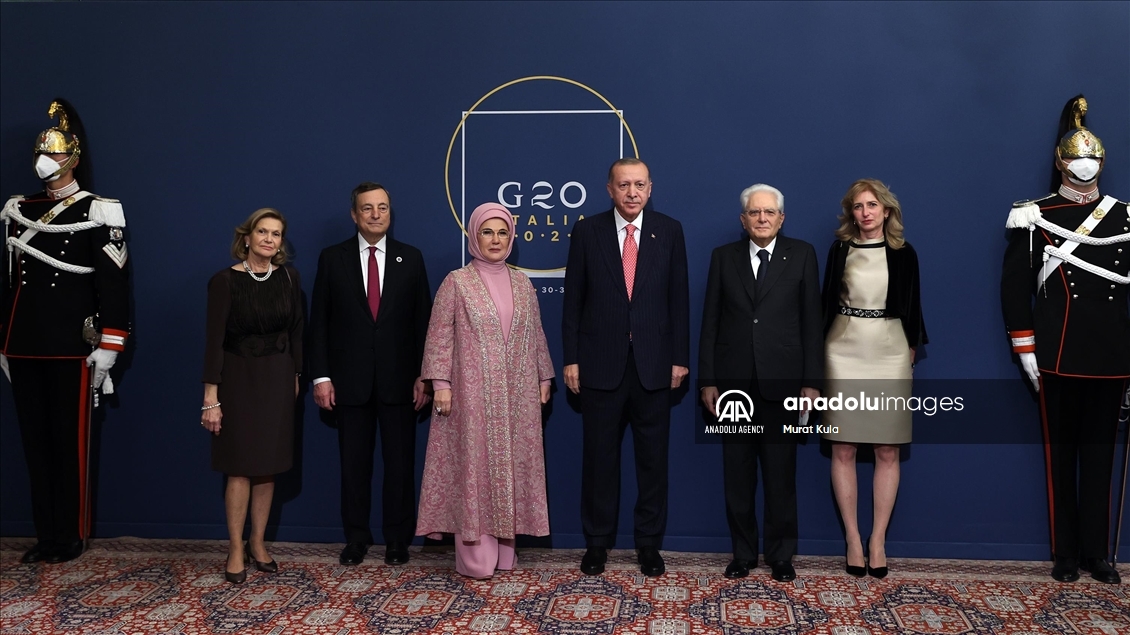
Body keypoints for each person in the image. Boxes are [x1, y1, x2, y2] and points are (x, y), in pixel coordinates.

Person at [1001, 95, 1128, 585]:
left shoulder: (1125, 217)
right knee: (1061, 457)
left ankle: (1098, 553)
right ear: (1060, 162)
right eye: (1077, 157)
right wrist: (1025, 347)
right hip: (1057, 352)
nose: (1085, 165)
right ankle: (1066, 552)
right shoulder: (1033, 215)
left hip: (1113, 353)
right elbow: (1014, 288)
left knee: (1100, 457)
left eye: (1093, 157)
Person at [0, 99, 129, 565]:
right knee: (35, 446)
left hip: (72, 345)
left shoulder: (100, 210)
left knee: (69, 445)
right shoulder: (19, 209)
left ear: (73, 157)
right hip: (24, 343)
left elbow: (113, 283)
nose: (45, 161)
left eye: (54, 153)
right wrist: (3, 341)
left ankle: (71, 535)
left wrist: (110, 343)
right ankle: (46, 534)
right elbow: (10, 282)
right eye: (42, 152)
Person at [562, 158, 690, 577]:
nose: (632, 193)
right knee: (599, 461)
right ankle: (597, 543)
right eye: (623, 185)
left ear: (650, 188)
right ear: (610, 189)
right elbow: (573, 301)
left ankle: (648, 545)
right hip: (600, 365)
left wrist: (680, 358)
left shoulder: (669, 231)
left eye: (639, 185)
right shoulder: (587, 231)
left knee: (653, 463)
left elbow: (678, 300)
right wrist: (571, 358)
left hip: (654, 366)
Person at [416, 203, 554, 578]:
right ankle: (476, 557)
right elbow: (439, 335)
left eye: (502, 232)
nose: (495, 240)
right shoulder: (457, 282)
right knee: (474, 470)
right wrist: (440, 384)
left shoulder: (522, 283)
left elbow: (536, 334)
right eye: (487, 232)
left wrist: (544, 377)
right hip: (470, 395)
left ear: (512, 237)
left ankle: (506, 552)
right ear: (474, 236)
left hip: (517, 395)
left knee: (510, 468)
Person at [699, 183, 823, 582]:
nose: (762, 218)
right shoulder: (723, 257)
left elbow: (812, 322)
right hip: (733, 386)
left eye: (769, 212)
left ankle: (781, 555)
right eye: (754, 212)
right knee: (737, 476)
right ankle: (743, 554)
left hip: (784, 385)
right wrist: (708, 379)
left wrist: (812, 382)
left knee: (780, 475)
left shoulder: (802, 254)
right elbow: (710, 321)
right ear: (743, 219)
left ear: (781, 218)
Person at [308, 182, 432, 566]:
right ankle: (357, 538)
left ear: (390, 213)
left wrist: (425, 376)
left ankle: (397, 540)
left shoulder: (411, 258)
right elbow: (319, 322)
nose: (376, 214)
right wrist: (321, 377)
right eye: (367, 208)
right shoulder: (333, 259)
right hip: (349, 383)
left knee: (400, 467)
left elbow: (424, 324)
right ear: (354, 214)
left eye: (382, 207)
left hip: (401, 383)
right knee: (354, 467)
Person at [821, 179, 927, 579]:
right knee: (843, 447)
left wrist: (910, 351)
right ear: (851, 213)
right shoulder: (840, 250)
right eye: (858, 206)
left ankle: (878, 540)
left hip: (890, 350)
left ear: (886, 210)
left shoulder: (904, 252)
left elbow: (914, 306)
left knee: (888, 449)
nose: (865, 212)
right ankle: (852, 538)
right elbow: (825, 303)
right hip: (842, 351)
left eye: (872, 205)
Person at [201, 208, 303, 584]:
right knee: (240, 467)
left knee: (268, 466)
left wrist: (296, 375)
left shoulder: (289, 277)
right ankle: (234, 547)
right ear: (247, 237)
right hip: (238, 380)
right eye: (262, 232)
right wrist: (211, 397)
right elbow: (213, 342)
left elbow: (297, 332)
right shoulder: (224, 281)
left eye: (276, 234)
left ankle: (257, 543)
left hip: (278, 379)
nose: (269, 239)